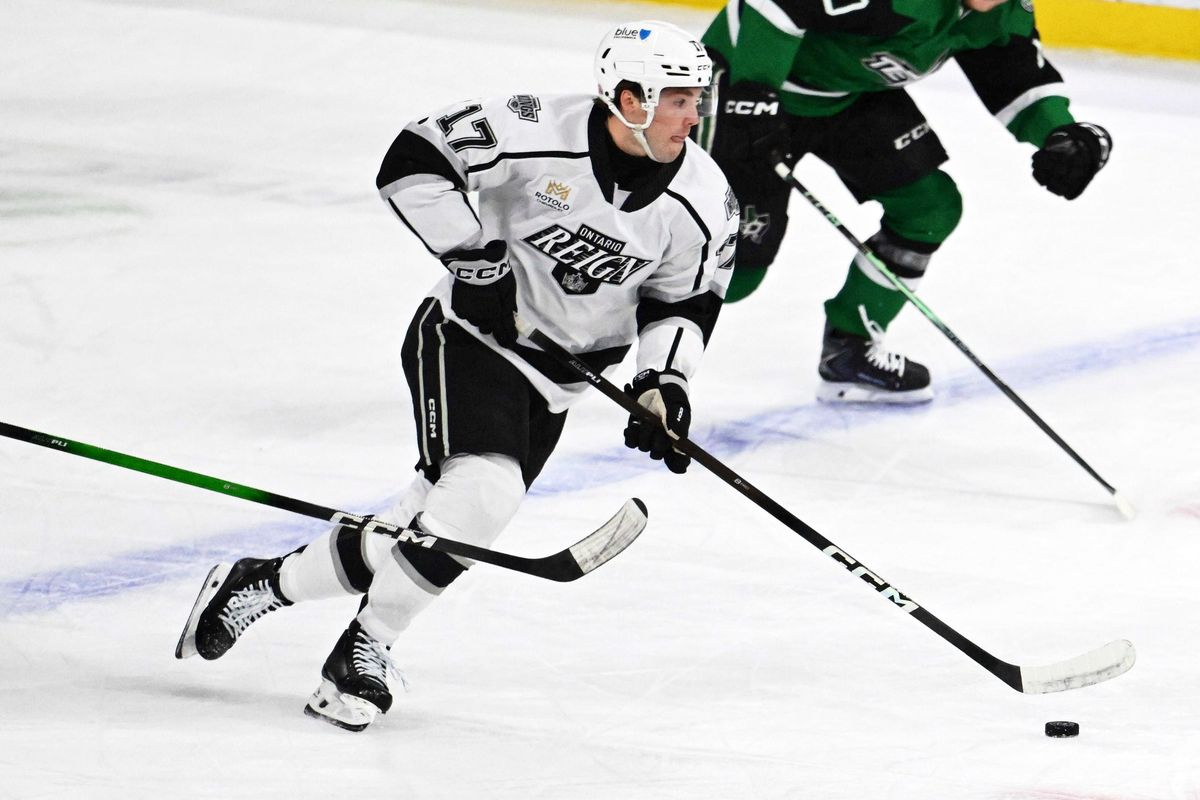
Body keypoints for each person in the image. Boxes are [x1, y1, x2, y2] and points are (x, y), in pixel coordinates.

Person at [174, 20, 738, 732]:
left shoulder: (704, 199)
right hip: (468, 339)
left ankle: (262, 583)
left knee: (431, 522)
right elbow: (412, 160)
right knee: (484, 495)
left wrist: (663, 381)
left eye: (697, 99)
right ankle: (365, 649)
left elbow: (683, 302)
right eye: (680, 100)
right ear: (630, 98)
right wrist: (473, 259)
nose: (695, 116)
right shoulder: (536, 129)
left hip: (559, 381)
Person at [694, 0, 1112, 403]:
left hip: (848, 93)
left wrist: (1062, 134)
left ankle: (848, 349)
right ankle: (650, 338)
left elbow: (1016, 76)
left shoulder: (1002, 14)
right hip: (746, 81)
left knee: (928, 208)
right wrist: (751, 90)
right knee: (732, 274)